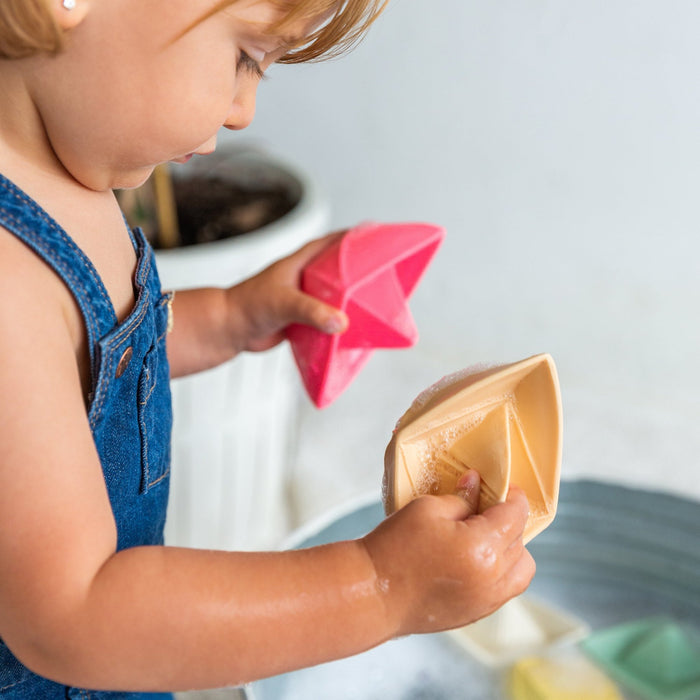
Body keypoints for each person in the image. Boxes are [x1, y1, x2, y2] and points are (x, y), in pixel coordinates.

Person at [0, 0, 536, 697]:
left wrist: (227, 317)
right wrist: (378, 586)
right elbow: (74, 615)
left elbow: (87, 368)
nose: (242, 110)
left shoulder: (61, 177)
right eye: (246, 56)